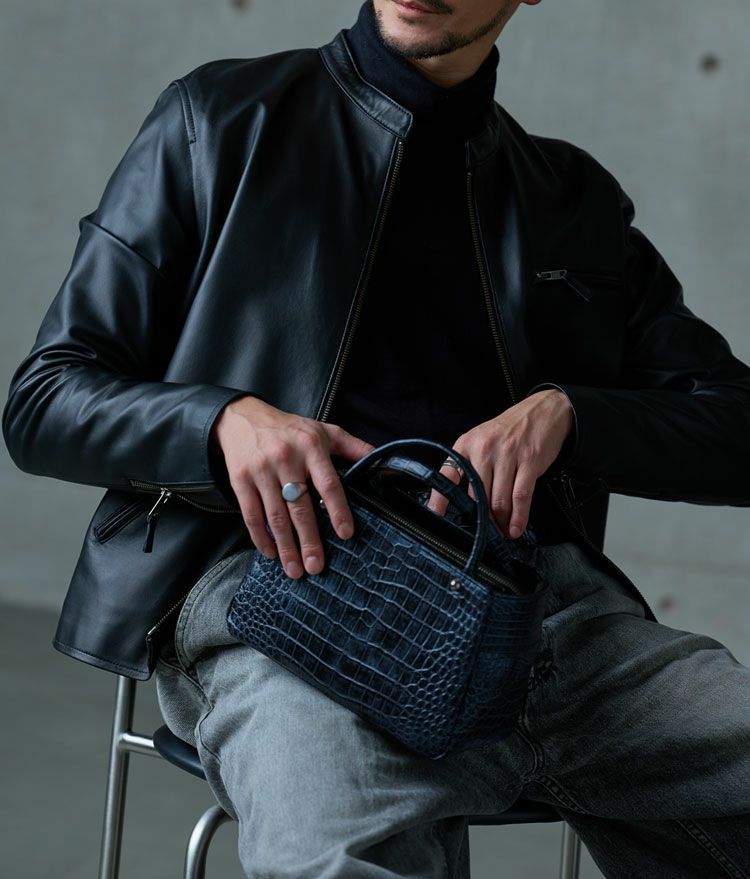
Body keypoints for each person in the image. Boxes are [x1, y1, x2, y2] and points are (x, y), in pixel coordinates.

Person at [4, 0, 750, 875]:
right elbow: (44, 397)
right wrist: (221, 421)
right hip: (286, 602)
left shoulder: (570, 199)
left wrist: (570, 412)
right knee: (340, 855)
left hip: (547, 622)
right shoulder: (219, 122)